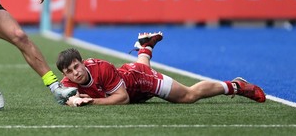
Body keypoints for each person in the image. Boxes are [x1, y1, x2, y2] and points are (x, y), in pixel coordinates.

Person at [56, 32, 266, 107]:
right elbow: (66, 98)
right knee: (138, 68)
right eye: (70, 72)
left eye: (77, 66)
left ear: (82, 62)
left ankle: (235, 86)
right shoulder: (67, 83)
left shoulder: (101, 68)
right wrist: (72, 101)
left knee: (188, 96)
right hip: (128, 78)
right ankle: (145, 47)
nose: (76, 73)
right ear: (65, 75)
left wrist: (92, 102)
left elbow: (122, 99)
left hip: (139, 81)